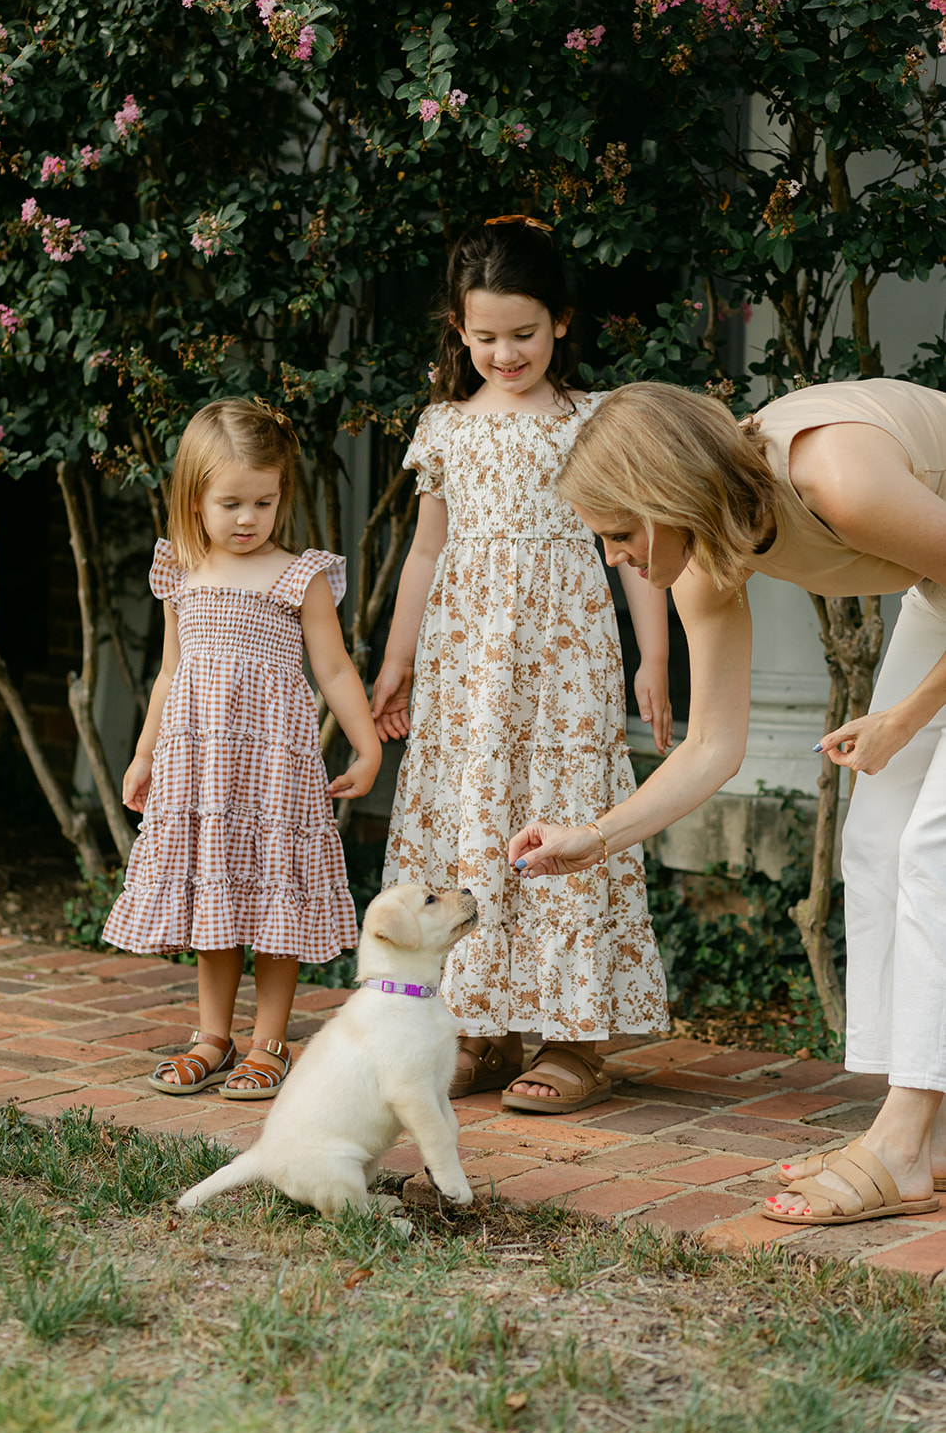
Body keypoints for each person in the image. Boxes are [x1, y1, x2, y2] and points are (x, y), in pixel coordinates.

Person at [510, 375, 946, 1223]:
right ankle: (927, 1136)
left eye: (615, 533)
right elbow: (712, 744)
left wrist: (903, 717)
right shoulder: (706, 559)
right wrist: (592, 837)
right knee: (875, 839)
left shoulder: (835, 479)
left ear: (663, 496)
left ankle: (898, 1142)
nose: (613, 558)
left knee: (933, 849)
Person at [371, 217, 672, 1116]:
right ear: (459, 332)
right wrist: (397, 662)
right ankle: (479, 1027)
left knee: (563, 814)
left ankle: (574, 1040)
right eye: (486, 336)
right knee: (474, 818)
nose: (505, 352)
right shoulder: (444, 428)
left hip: (564, 666)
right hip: (470, 670)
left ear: (562, 322)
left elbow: (639, 538)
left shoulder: (594, 420)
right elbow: (425, 555)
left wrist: (654, 654)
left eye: (524, 334)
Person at [104, 397, 381, 1099]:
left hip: (272, 772)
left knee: (275, 902)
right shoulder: (181, 573)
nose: (249, 518)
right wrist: (143, 754)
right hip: (200, 772)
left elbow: (335, 668)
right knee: (216, 900)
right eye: (230, 502)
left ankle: (269, 1042)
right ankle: (212, 1036)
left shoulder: (299, 575)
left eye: (264, 500)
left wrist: (367, 748)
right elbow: (169, 673)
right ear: (194, 499)